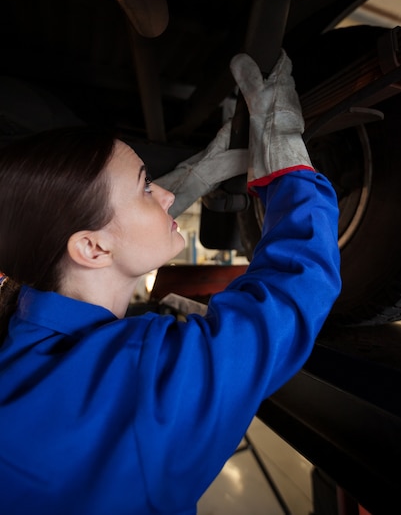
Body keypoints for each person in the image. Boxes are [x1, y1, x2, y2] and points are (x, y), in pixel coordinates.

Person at [0, 50, 341, 515]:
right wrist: (286, 158)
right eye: (146, 186)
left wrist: (173, 188)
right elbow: (295, 287)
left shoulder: (21, 331)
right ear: (92, 249)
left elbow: (94, 229)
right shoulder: (146, 378)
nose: (165, 194)